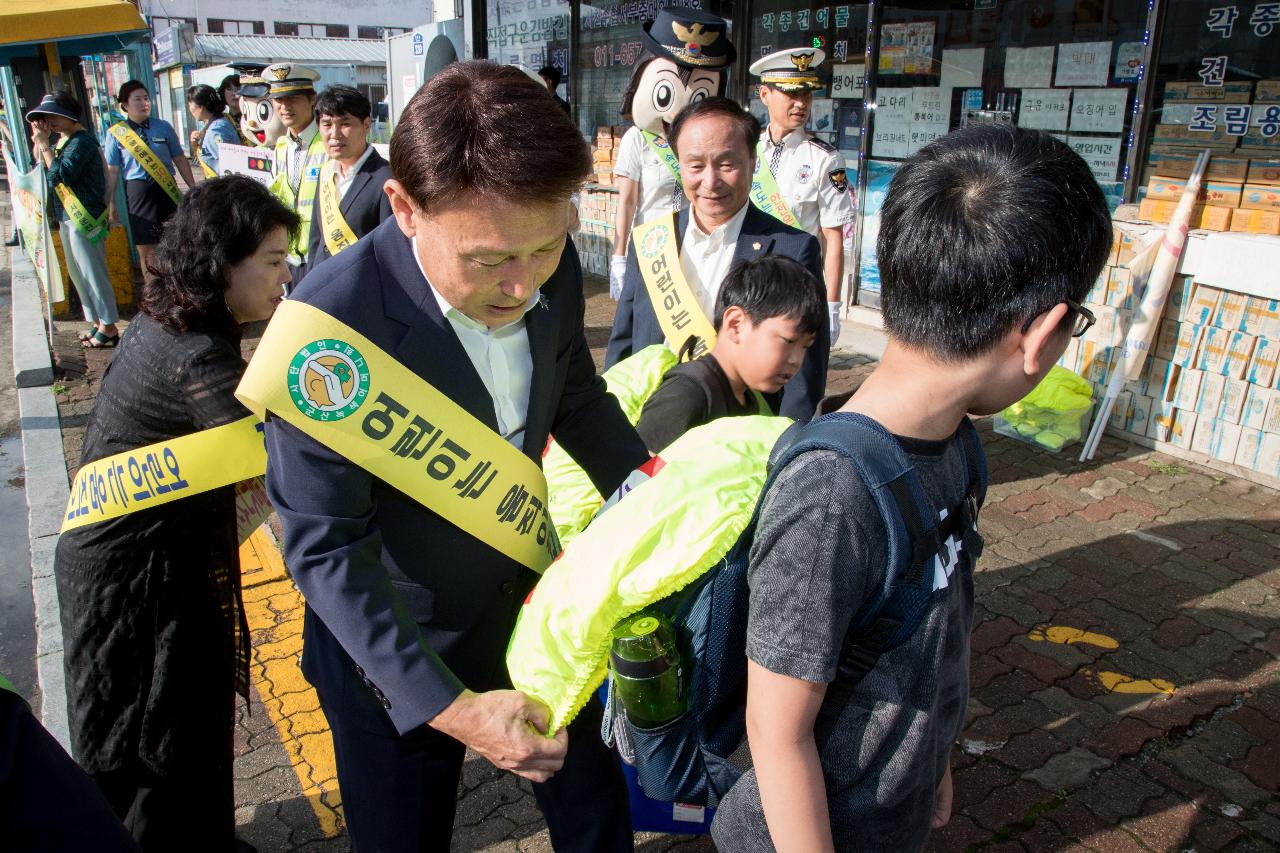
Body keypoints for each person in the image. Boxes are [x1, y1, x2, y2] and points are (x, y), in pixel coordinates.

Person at [262, 61, 650, 852]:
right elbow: (328, 545)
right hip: (393, 651)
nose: (522, 286)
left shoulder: (545, 258)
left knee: (596, 810)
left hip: (534, 612)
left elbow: (575, 393)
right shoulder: (325, 336)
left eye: (545, 249)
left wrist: (657, 494)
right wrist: (456, 708)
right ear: (404, 208)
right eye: (487, 260)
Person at [709, 125, 1112, 852]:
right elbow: (775, 730)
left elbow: (936, 626)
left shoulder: (955, 442)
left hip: (894, 798)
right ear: (1043, 332)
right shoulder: (831, 494)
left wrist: (933, 757)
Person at [53, 176, 297, 853]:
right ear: (222, 262)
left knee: (189, 711)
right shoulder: (193, 355)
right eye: (274, 262)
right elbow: (283, 456)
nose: (286, 278)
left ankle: (201, 837)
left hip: (151, 557)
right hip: (133, 579)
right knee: (153, 727)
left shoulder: (179, 317)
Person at [607, 96, 828, 422]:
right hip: (652, 427)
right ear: (679, 164)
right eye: (695, 166)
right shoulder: (653, 240)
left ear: (753, 162)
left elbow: (804, 382)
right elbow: (623, 348)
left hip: (736, 441)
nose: (710, 182)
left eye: (726, 164)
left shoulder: (793, 249)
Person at [635, 255, 824, 453]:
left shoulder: (750, 396)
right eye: (789, 341)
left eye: (805, 347)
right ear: (735, 324)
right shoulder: (686, 395)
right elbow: (634, 479)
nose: (796, 360)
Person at [610, 8, 735, 300]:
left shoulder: (711, 145)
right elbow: (627, 203)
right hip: (651, 250)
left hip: (698, 250)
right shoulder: (639, 140)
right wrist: (619, 257)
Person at [750, 47, 856, 346]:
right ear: (764, 94)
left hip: (795, 289)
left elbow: (833, 238)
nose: (801, 104)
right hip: (748, 282)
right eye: (791, 94)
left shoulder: (824, 158)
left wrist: (832, 306)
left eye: (807, 95)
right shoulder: (747, 147)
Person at [26, 91, 120, 348]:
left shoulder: (82, 142)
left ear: (69, 115)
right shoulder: (64, 141)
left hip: (84, 217)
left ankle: (109, 325)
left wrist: (45, 145)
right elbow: (43, 168)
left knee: (93, 272)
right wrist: (41, 141)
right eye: (46, 117)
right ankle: (96, 321)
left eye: (55, 115)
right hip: (67, 215)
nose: (50, 121)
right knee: (80, 274)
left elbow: (62, 175)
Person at [104, 80, 196, 282]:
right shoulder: (116, 134)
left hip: (166, 190)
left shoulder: (163, 127)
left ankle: (176, 287)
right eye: (137, 99)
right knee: (146, 246)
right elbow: (112, 172)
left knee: (174, 241)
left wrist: (193, 188)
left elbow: (179, 158)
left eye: (146, 98)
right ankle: (152, 290)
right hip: (138, 192)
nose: (144, 103)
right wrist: (110, 204)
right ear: (125, 105)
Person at [305, 84, 392, 272]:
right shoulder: (326, 173)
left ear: (366, 125)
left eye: (345, 124)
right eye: (327, 124)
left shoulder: (386, 178)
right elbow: (316, 241)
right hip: (321, 287)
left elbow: (391, 250)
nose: (334, 134)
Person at [265, 63, 325, 286]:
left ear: (312, 99)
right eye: (279, 100)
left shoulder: (329, 144)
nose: (285, 107)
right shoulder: (281, 147)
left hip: (320, 257)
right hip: (287, 258)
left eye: (293, 99)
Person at [186, 84, 240, 178]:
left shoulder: (216, 130)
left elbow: (228, 166)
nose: (189, 109)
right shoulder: (217, 123)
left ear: (201, 107)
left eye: (190, 105)